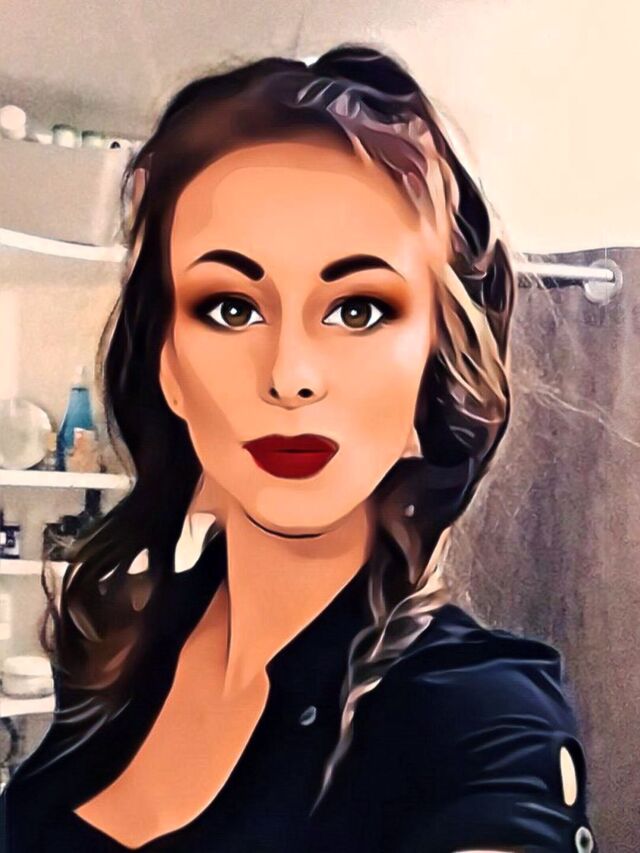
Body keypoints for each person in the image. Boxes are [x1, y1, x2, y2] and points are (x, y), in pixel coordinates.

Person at [0, 44, 598, 852]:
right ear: (170, 369)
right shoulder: (121, 639)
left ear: (434, 367)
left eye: (356, 310)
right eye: (231, 308)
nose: (289, 376)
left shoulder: (474, 713)